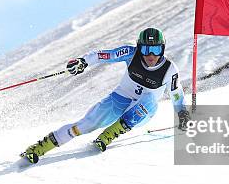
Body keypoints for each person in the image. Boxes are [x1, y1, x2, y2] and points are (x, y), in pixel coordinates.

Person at [20, 27, 191, 164]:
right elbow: (105, 55)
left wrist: (183, 117)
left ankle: (109, 134)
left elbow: (177, 96)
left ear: (163, 49)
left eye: (155, 49)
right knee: (85, 124)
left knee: (150, 100)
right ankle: (39, 148)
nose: (151, 55)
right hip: (120, 99)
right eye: (146, 49)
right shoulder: (131, 53)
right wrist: (83, 61)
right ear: (139, 48)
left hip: (144, 111)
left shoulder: (170, 70)